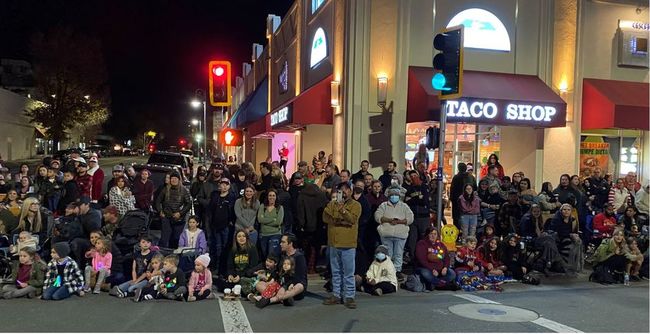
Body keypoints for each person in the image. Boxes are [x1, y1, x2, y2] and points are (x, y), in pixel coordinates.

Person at [322, 182, 361, 309]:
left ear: (350, 191)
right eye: (340, 191)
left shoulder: (356, 205)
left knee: (348, 273)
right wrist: (340, 221)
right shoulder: (332, 203)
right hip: (334, 243)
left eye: (345, 191)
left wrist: (342, 211)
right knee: (336, 272)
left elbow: (352, 220)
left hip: (348, 244)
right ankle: (336, 295)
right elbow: (325, 217)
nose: (342, 194)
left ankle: (349, 296)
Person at [374, 185, 413, 276]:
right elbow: (377, 216)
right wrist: (389, 220)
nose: (394, 196)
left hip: (400, 235)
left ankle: (397, 271)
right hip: (386, 234)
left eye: (396, 195)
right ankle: (388, 270)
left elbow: (410, 218)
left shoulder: (404, 206)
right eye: (392, 195)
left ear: (399, 196)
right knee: (388, 254)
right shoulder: (383, 205)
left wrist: (400, 221)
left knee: (399, 254)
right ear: (389, 196)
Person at [155, 171, 192, 249]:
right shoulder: (165, 189)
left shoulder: (184, 190)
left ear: (179, 180)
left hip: (179, 219)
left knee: (175, 239)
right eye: (172, 178)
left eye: (175, 178)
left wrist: (180, 213)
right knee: (164, 238)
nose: (173, 180)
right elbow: (158, 201)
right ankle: (161, 254)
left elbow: (188, 204)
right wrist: (160, 211)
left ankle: (173, 256)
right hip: (166, 217)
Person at [207, 177, 236, 273]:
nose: (224, 186)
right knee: (217, 248)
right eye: (222, 184)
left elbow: (233, 212)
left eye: (226, 184)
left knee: (226, 247)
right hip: (216, 226)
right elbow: (210, 210)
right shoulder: (215, 195)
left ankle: (225, 268)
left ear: (229, 186)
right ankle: (218, 268)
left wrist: (231, 221)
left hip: (226, 226)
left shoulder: (232, 197)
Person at [258, 189, 284, 259]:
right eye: (270, 195)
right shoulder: (263, 206)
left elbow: (278, 222)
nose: (271, 197)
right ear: (267, 196)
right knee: (264, 255)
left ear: (276, 197)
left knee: (272, 255)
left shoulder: (280, 208)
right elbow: (260, 220)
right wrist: (273, 219)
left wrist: (265, 221)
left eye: (273, 195)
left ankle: (273, 270)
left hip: (275, 234)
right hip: (263, 235)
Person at [450, 163, 477, 227]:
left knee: (457, 218)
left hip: (457, 201)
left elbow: (452, 189)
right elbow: (475, 188)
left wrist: (452, 199)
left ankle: (457, 233)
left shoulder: (456, 177)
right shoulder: (471, 177)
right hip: (468, 200)